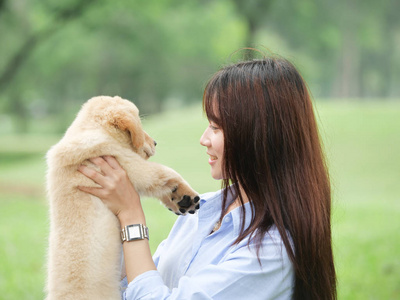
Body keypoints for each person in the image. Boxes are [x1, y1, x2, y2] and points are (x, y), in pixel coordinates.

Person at [78, 55, 337, 299]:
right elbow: (135, 285)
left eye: (216, 127)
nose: (203, 139)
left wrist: (130, 214)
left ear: (258, 136)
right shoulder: (202, 211)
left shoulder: (270, 251)